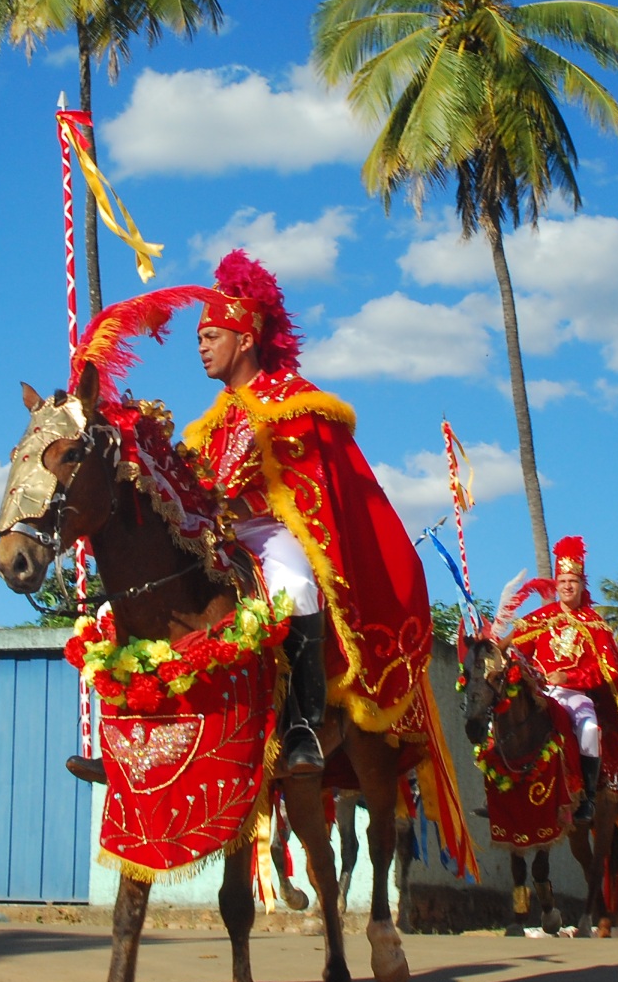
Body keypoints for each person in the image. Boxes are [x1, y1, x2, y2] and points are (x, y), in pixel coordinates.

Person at [182, 251, 436, 778]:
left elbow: (308, 488)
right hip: (219, 540)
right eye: (199, 339)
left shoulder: (295, 401)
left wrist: (237, 506)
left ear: (246, 339)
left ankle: (304, 724)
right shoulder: (209, 424)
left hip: (274, 533)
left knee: (296, 588)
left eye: (211, 336)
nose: (201, 347)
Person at [504, 537, 618, 823]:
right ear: (555, 583)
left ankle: (588, 796)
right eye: (562, 580)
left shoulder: (595, 626)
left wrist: (568, 676)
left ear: (582, 583)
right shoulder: (538, 619)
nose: (567, 585)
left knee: (589, 727)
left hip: (576, 695)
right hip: (541, 692)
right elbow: (516, 652)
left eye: (572, 580)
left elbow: (607, 671)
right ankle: (501, 787)